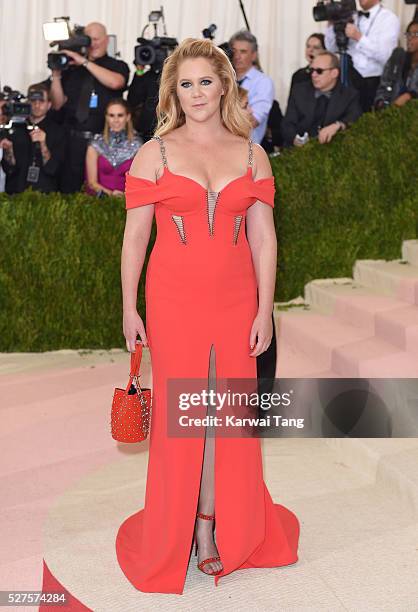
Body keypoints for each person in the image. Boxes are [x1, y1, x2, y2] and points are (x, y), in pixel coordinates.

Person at [117, 37, 300, 594]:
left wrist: (265, 309)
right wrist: (130, 306)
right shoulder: (155, 152)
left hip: (238, 301)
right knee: (185, 420)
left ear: (225, 84)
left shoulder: (252, 153)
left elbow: (265, 239)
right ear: (174, 90)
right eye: (186, 83)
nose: (196, 92)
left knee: (229, 422)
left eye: (206, 81)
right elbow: (134, 242)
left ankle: (215, 524)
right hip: (174, 302)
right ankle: (190, 530)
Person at [48, 22, 130, 193]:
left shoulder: (117, 65)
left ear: (107, 40)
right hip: (71, 141)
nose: (92, 44)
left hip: (102, 143)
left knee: (95, 192)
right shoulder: (71, 69)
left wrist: (84, 62)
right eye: (88, 40)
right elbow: (57, 104)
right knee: (68, 190)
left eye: (96, 39)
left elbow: (116, 82)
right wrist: (56, 76)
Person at [325, 0, 400, 112]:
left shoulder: (389, 19)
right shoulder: (351, 16)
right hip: (348, 80)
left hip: (373, 84)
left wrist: (359, 37)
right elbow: (332, 48)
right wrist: (332, 23)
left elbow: (386, 56)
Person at [281, 51, 362, 148]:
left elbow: (354, 117)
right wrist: (295, 139)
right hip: (298, 151)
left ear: (334, 73)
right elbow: (287, 123)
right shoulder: (299, 91)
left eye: (319, 71)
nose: (313, 75)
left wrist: (338, 125)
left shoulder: (349, 95)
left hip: (332, 151)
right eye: (312, 70)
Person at [0, 84, 65, 194]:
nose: (37, 104)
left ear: (49, 104)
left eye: (41, 101)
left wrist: (43, 144)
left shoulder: (58, 131)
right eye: (33, 100)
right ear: (27, 102)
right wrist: (8, 150)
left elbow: (54, 169)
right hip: (16, 192)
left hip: (44, 194)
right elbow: (9, 168)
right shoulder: (13, 127)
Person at [85, 98, 142, 197]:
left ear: (128, 117)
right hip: (99, 202)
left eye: (120, 115)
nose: (116, 120)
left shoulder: (138, 145)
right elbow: (91, 183)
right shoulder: (95, 144)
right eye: (111, 115)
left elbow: (141, 182)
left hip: (129, 201)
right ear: (106, 117)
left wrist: (125, 197)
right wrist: (111, 195)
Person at [229, 30, 275, 144]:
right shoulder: (222, 79)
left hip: (246, 149)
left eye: (243, 52)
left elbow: (253, 121)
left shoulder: (263, 82)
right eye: (234, 51)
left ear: (254, 55)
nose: (237, 56)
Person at [374, 20, 418, 109]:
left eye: (415, 34)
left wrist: (410, 96)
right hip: (392, 114)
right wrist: (381, 102)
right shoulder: (398, 58)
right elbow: (384, 85)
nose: (410, 38)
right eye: (408, 34)